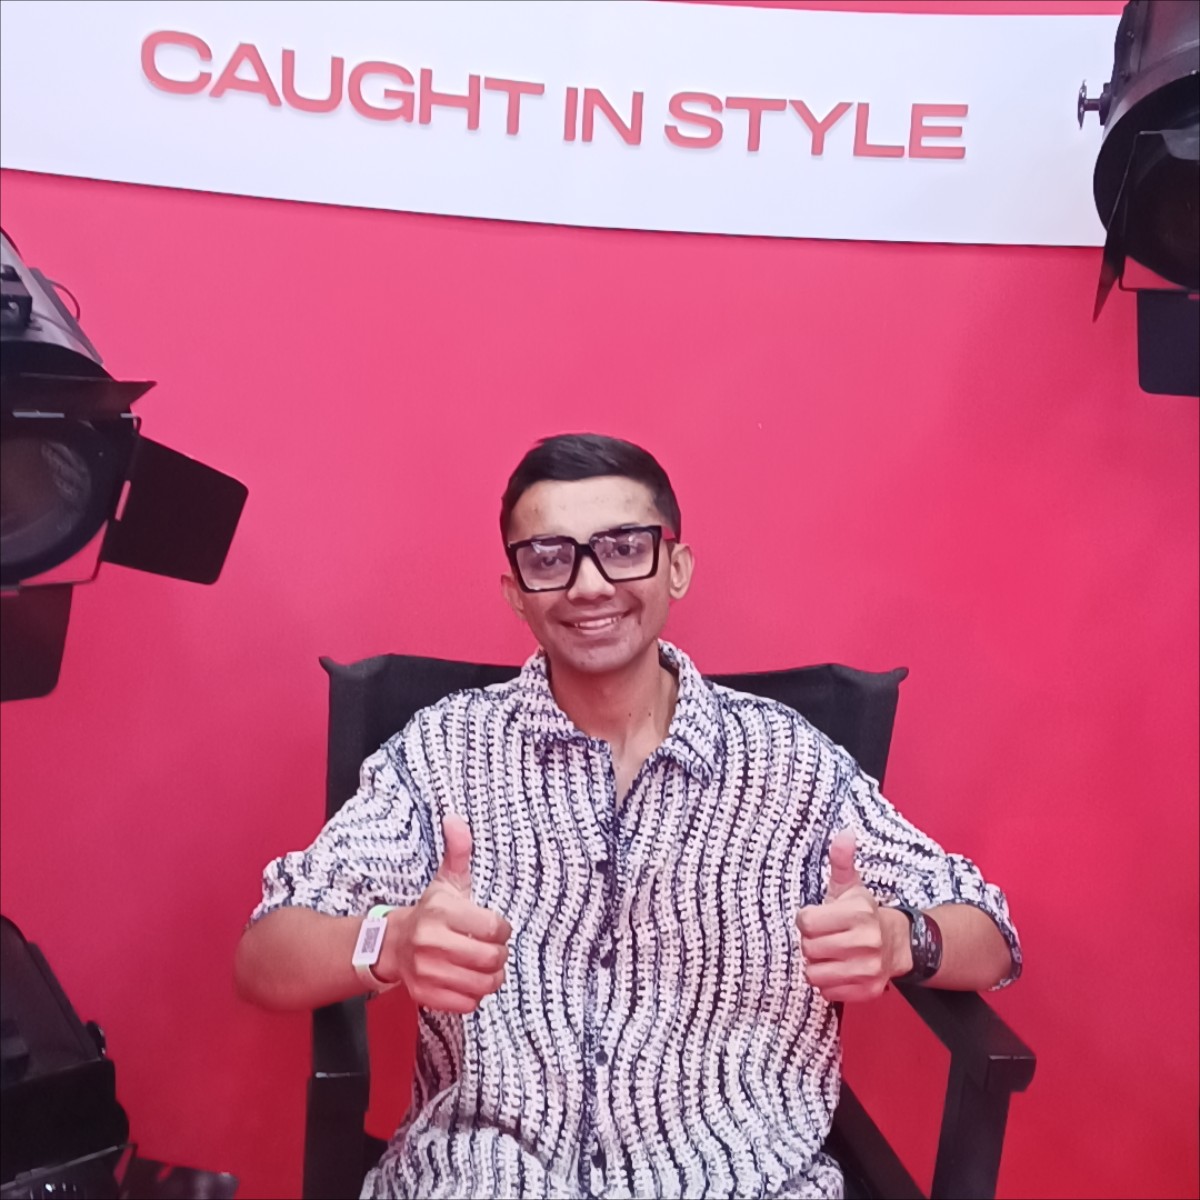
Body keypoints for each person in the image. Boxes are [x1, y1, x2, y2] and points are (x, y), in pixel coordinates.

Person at [235, 433, 1021, 1200]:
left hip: (738, 1177)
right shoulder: (445, 749)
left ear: (676, 568)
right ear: (514, 590)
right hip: (483, 1176)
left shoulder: (789, 762)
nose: (588, 585)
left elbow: (989, 936)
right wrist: (390, 942)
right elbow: (267, 954)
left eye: (623, 548)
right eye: (549, 557)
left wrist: (902, 939)